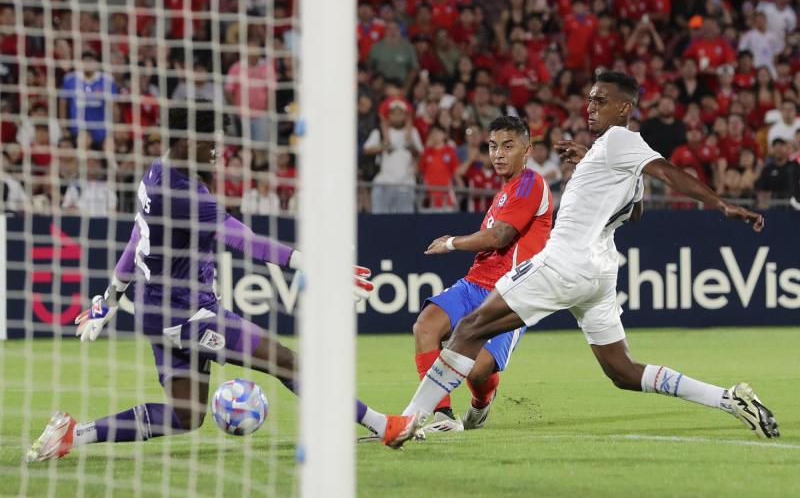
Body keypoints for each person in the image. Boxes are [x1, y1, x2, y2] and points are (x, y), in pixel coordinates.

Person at [382, 71, 778, 449]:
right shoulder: (609, 152)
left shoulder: (622, 140)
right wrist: (590, 159)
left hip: (566, 261)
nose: (590, 106)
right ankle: (729, 398)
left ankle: (408, 421)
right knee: (622, 371)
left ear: (624, 109)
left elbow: (667, 172)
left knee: (469, 328)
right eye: (589, 99)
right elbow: (635, 211)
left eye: (601, 101)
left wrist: (721, 204)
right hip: (600, 272)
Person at [24, 105, 421, 462]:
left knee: (185, 414)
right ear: (186, 141)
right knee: (285, 361)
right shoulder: (186, 196)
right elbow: (245, 240)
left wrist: (109, 300)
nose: (219, 150)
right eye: (210, 142)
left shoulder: (156, 172)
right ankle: (381, 424)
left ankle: (74, 435)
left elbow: (136, 239)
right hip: (187, 315)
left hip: (156, 310)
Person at [410, 116, 552, 434]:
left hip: (511, 293)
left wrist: (451, 242)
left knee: (478, 371)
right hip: (476, 282)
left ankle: (480, 403)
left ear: (527, 150)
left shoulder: (531, 183)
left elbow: (499, 237)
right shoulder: (504, 192)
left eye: (508, 146)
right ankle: (443, 416)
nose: (498, 153)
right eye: (492, 146)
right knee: (426, 326)